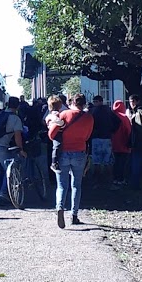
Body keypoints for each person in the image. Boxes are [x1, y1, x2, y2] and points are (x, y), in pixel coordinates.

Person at [50, 94, 94, 228]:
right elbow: (87, 136)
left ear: (72, 102)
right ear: (84, 103)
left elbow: (52, 134)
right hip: (79, 152)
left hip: (63, 152)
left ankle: (60, 207)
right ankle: (74, 215)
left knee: (61, 185)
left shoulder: (64, 114)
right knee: (76, 185)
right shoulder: (89, 117)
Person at [0, 96, 26, 206]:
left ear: (7, 104)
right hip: (0, 148)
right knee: (9, 169)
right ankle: (3, 192)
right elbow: (18, 137)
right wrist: (21, 150)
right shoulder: (15, 118)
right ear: (18, 106)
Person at [88, 95, 118, 181]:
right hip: (106, 137)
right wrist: (112, 131)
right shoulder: (108, 111)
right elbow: (117, 121)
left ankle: (97, 179)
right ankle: (108, 179)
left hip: (96, 138)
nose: (95, 103)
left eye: (96, 102)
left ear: (100, 102)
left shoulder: (93, 111)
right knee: (107, 160)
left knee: (96, 160)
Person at [111, 99, 132, 187]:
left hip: (114, 143)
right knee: (122, 163)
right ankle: (121, 179)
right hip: (123, 143)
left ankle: (115, 179)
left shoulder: (111, 116)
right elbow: (128, 130)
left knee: (115, 162)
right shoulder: (124, 117)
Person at [45, 95, 66, 171]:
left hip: (54, 131)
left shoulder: (50, 114)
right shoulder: (55, 115)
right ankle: (54, 162)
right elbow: (59, 122)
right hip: (57, 132)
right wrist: (63, 124)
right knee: (57, 146)